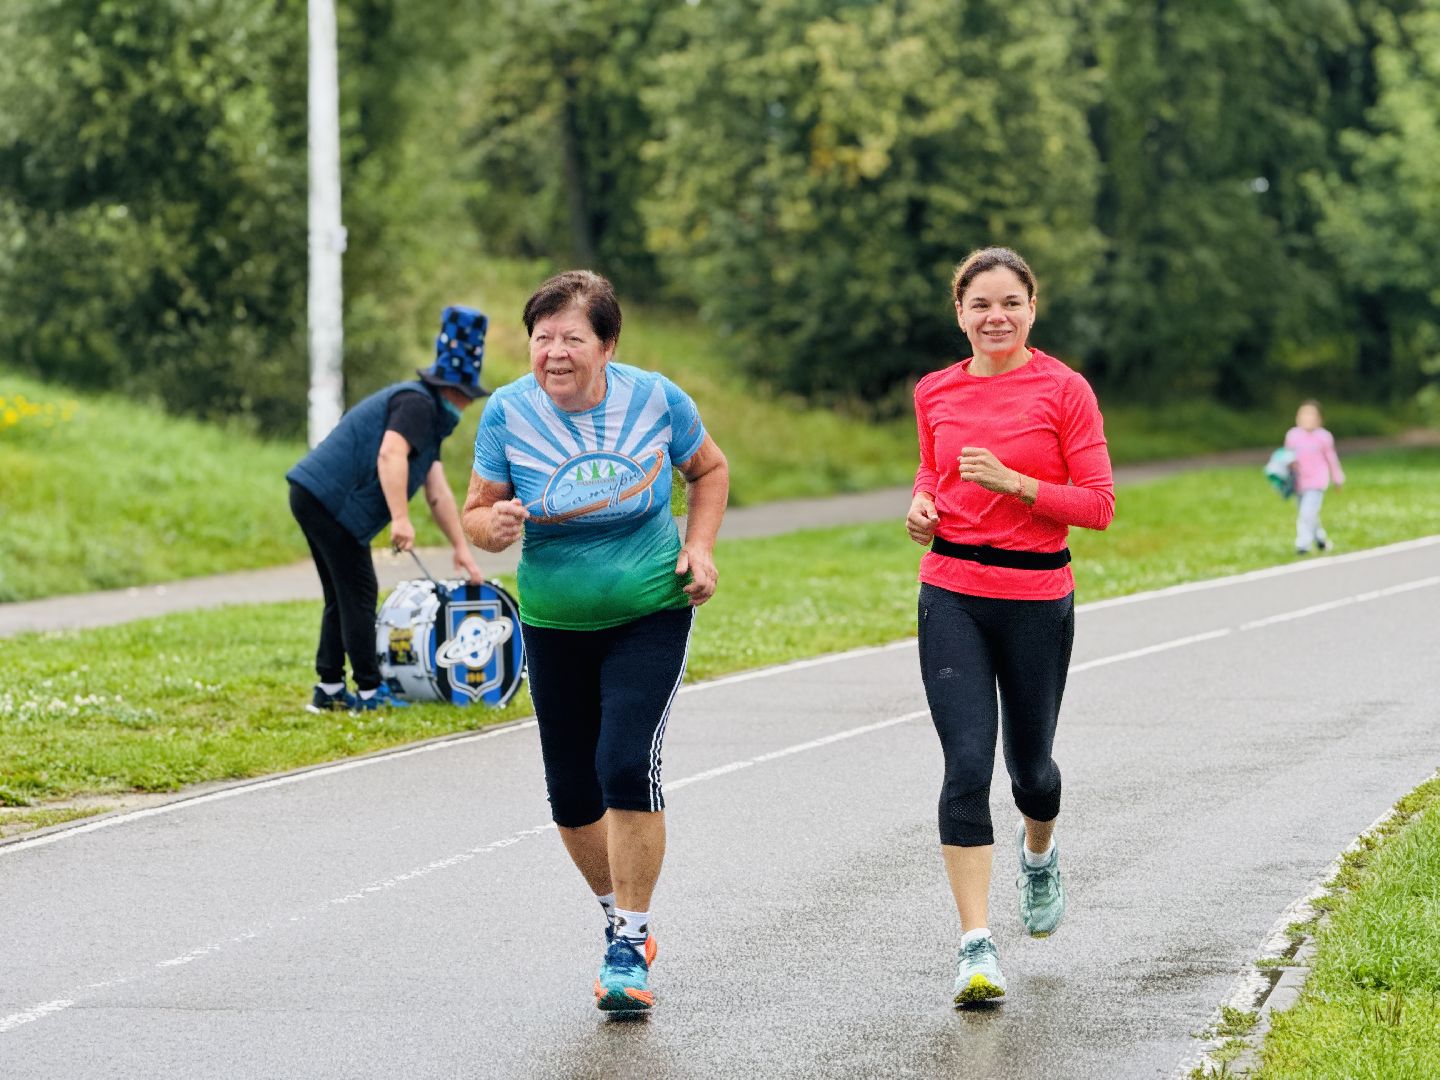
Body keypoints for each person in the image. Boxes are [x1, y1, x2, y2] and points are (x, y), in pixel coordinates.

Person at [461, 270, 728, 1014]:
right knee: (571, 794)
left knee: (623, 764)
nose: (554, 353)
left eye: (571, 338)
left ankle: (628, 943)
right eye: (542, 338)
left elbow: (708, 469)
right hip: (552, 620)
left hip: (648, 607)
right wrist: (493, 528)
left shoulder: (655, 400)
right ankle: (622, 920)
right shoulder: (509, 414)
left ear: (606, 345)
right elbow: (477, 513)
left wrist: (699, 549)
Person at [905, 247, 1114, 1006]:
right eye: (980, 305)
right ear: (959, 313)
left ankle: (1040, 851)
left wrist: (1019, 484)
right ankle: (976, 946)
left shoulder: (1064, 390)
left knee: (1032, 772)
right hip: (951, 591)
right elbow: (935, 469)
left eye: (1010, 304)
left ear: (1032, 308)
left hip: (1035, 597)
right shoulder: (935, 391)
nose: (996, 317)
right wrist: (922, 504)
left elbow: (1097, 504)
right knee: (966, 767)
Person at [287, 305, 487, 713]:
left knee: (341, 596)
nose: (467, 407)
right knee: (360, 594)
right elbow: (390, 454)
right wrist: (399, 518)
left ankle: (327, 688)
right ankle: (368, 692)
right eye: (467, 398)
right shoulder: (418, 405)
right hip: (329, 500)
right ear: (455, 391)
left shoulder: (428, 419)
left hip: (312, 495)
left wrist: (460, 547)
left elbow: (438, 492)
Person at [1285, 400, 1344, 555]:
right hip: (1299, 482)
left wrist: (1337, 479)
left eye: (1311, 415)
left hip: (1317, 482)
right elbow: (1287, 456)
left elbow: (1332, 459)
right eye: (1303, 414)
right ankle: (1320, 540)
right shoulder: (1293, 435)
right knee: (1310, 514)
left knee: (1306, 514)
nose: (1307, 418)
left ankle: (1302, 545)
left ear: (1319, 419)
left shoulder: (1323, 437)